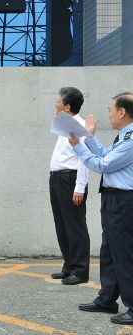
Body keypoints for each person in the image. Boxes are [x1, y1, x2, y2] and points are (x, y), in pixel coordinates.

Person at [69, 93, 133, 325]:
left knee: (124, 253)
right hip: (113, 200)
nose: (108, 114)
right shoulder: (124, 136)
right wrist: (90, 137)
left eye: (110, 109)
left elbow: (103, 165)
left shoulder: (132, 138)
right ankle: (107, 299)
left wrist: (78, 147)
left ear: (122, 112)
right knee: (109, 251)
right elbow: (106, 154)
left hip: (124, 201)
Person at [49, 87, 90, 285]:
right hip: (57, 179)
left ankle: (80, 270)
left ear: (67, 106)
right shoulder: (63, 126)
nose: (55, 103)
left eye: (58, 101)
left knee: (75, 227)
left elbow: (84, 159)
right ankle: (69, 266)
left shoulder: (80, 127)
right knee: (62, 226)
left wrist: (79, 187)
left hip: (71, 179)